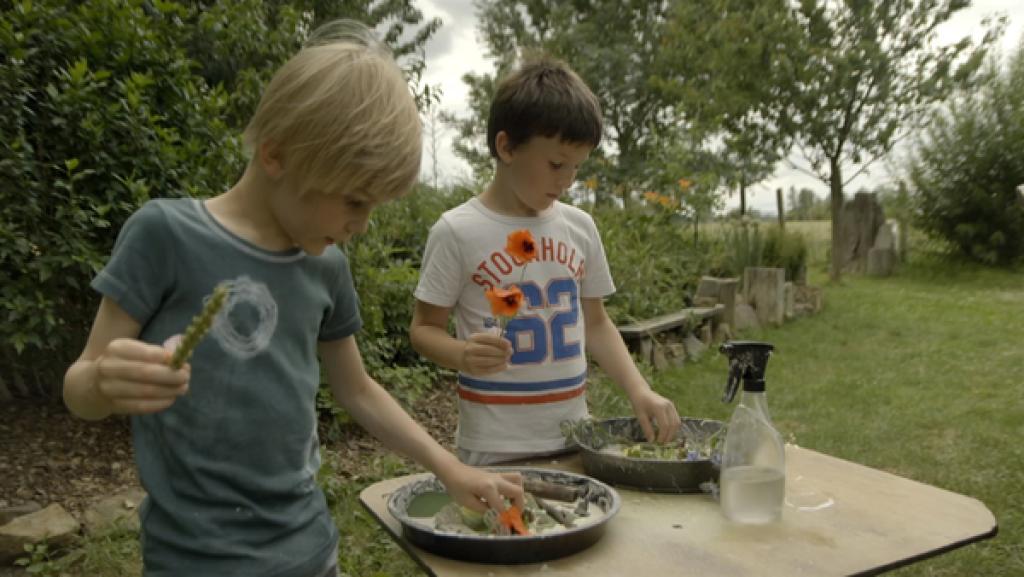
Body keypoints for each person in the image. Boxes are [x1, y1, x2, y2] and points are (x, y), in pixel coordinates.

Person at [62, 20, 523, 577]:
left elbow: (357, 391)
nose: (361, 225)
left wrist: (450, 469)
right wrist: (103, 381)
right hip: (194, 561)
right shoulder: (164, 235)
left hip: (309, 551)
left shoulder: (325, 264)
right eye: (354, 201)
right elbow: (81, 387)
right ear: (276, 154)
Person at [410, 57, 682, 466]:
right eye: (556, 164)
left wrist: (639, 390)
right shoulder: (456, 231)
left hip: (575, 439)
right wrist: (461, 354)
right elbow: (424, 329)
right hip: (494, 451)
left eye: (576, 167)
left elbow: (596, 323)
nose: (567, 180)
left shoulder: (580, 228)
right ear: (506, 148)